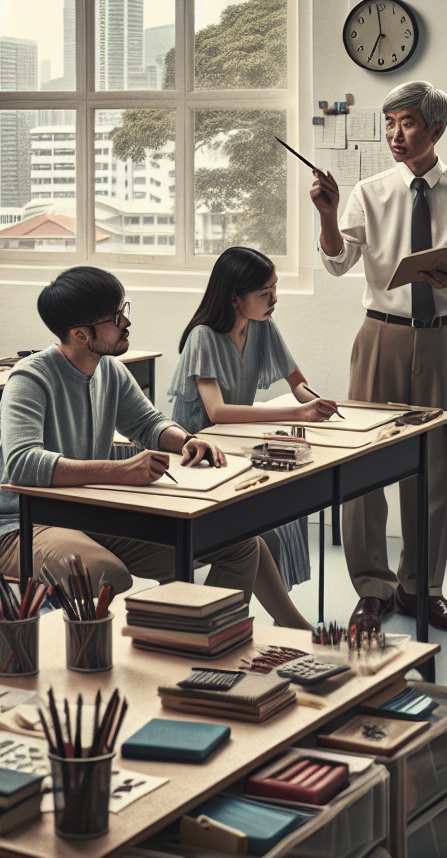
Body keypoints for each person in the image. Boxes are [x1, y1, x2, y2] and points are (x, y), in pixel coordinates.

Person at [0, 265, 280, 617]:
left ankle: (201, 640)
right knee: (108, 575)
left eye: (123, 310)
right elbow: (24, 464)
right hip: (20, 526)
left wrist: (186, 441)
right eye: (116, 317)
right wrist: (120, 471)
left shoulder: (109, 369)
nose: (126, 322)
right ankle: (165, 641)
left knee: (237, 545)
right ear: (81, 334)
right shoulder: (30, 378)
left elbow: (149, 424)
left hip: (89, 513)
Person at [311, 81, 447, 632]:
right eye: (389, 124)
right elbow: (339, 263)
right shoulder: (369, 192)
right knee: (365, 464)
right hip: (380, 336)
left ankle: (422, 589)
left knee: (435, 469)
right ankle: (372, 586)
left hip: (440, 339)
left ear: (436, 129)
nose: (396, 134)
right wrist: (327, 213)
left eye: (408, 123)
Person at [169, 245, 341, 630]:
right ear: (235, 297)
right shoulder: (203, 336)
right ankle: (267, 623)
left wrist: (322, 405)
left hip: (238, 448)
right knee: (266, 523)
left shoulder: (263, 325)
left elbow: (298, 384)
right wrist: (297, 413)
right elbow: (217, 413)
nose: (274, 300)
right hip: (201, 454)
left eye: (275, 289)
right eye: (265, 293)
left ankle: (276, 622)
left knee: (288, 509)